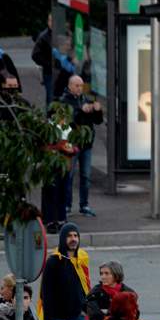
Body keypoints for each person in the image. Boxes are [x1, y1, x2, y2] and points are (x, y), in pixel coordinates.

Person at [60, 75, 103, 217]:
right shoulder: (64, 100)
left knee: (86, 176)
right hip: (71, 144)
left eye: (81, 86)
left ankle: (84, 205)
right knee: (69, 176)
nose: (80, 88)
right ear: (70, 86)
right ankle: (66, 206)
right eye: (77, 85)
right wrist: (81, 110)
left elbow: (98, 121)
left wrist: (97, 110)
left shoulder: (85, 99)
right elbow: (70, 120)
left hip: (86, 145)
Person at [31, 13, 54, 106]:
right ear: (48, 22)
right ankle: (49, 118)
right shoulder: (43, 37)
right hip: (49, 73)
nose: (52, 23)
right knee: (51, 97)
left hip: (62, 72)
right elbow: (35, 55)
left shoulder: (63, 33)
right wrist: (48, 64)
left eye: (54, 20)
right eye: (50, 20)